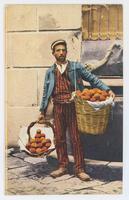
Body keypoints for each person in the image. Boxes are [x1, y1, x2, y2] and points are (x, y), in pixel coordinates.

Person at [38, 39, 115, 181]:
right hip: (58, 108)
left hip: (74, 107)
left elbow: (92, 78)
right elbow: (45, 92)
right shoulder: (50, 72)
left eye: (63, 50)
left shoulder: (75, 67)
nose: (61, 52)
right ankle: (62, 166)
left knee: (75, 138)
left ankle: (79, 169)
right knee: (59, 138)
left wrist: (107, 89)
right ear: (53, 53)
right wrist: (42, 111)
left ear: (66, 51)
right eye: (58, 50)